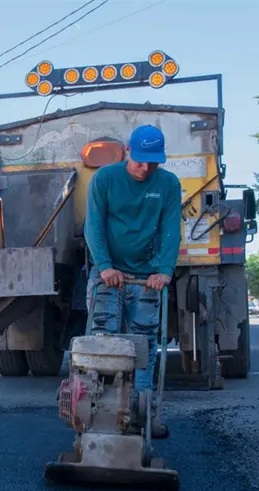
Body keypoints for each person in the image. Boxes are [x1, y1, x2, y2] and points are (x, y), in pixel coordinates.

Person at [83, 124, 182, 438]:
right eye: (140, 161)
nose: (145, 168)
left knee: (144, 344)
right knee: (104, 342)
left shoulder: (168, 184)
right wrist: (105, 266)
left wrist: (164, 270)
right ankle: (100, 413)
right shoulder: (105, 179)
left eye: (153, 163)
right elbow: (93, 225)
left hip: (146, 277)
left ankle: (142, 413)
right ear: (128, 151)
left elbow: (170, 228)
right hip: (109, 275)